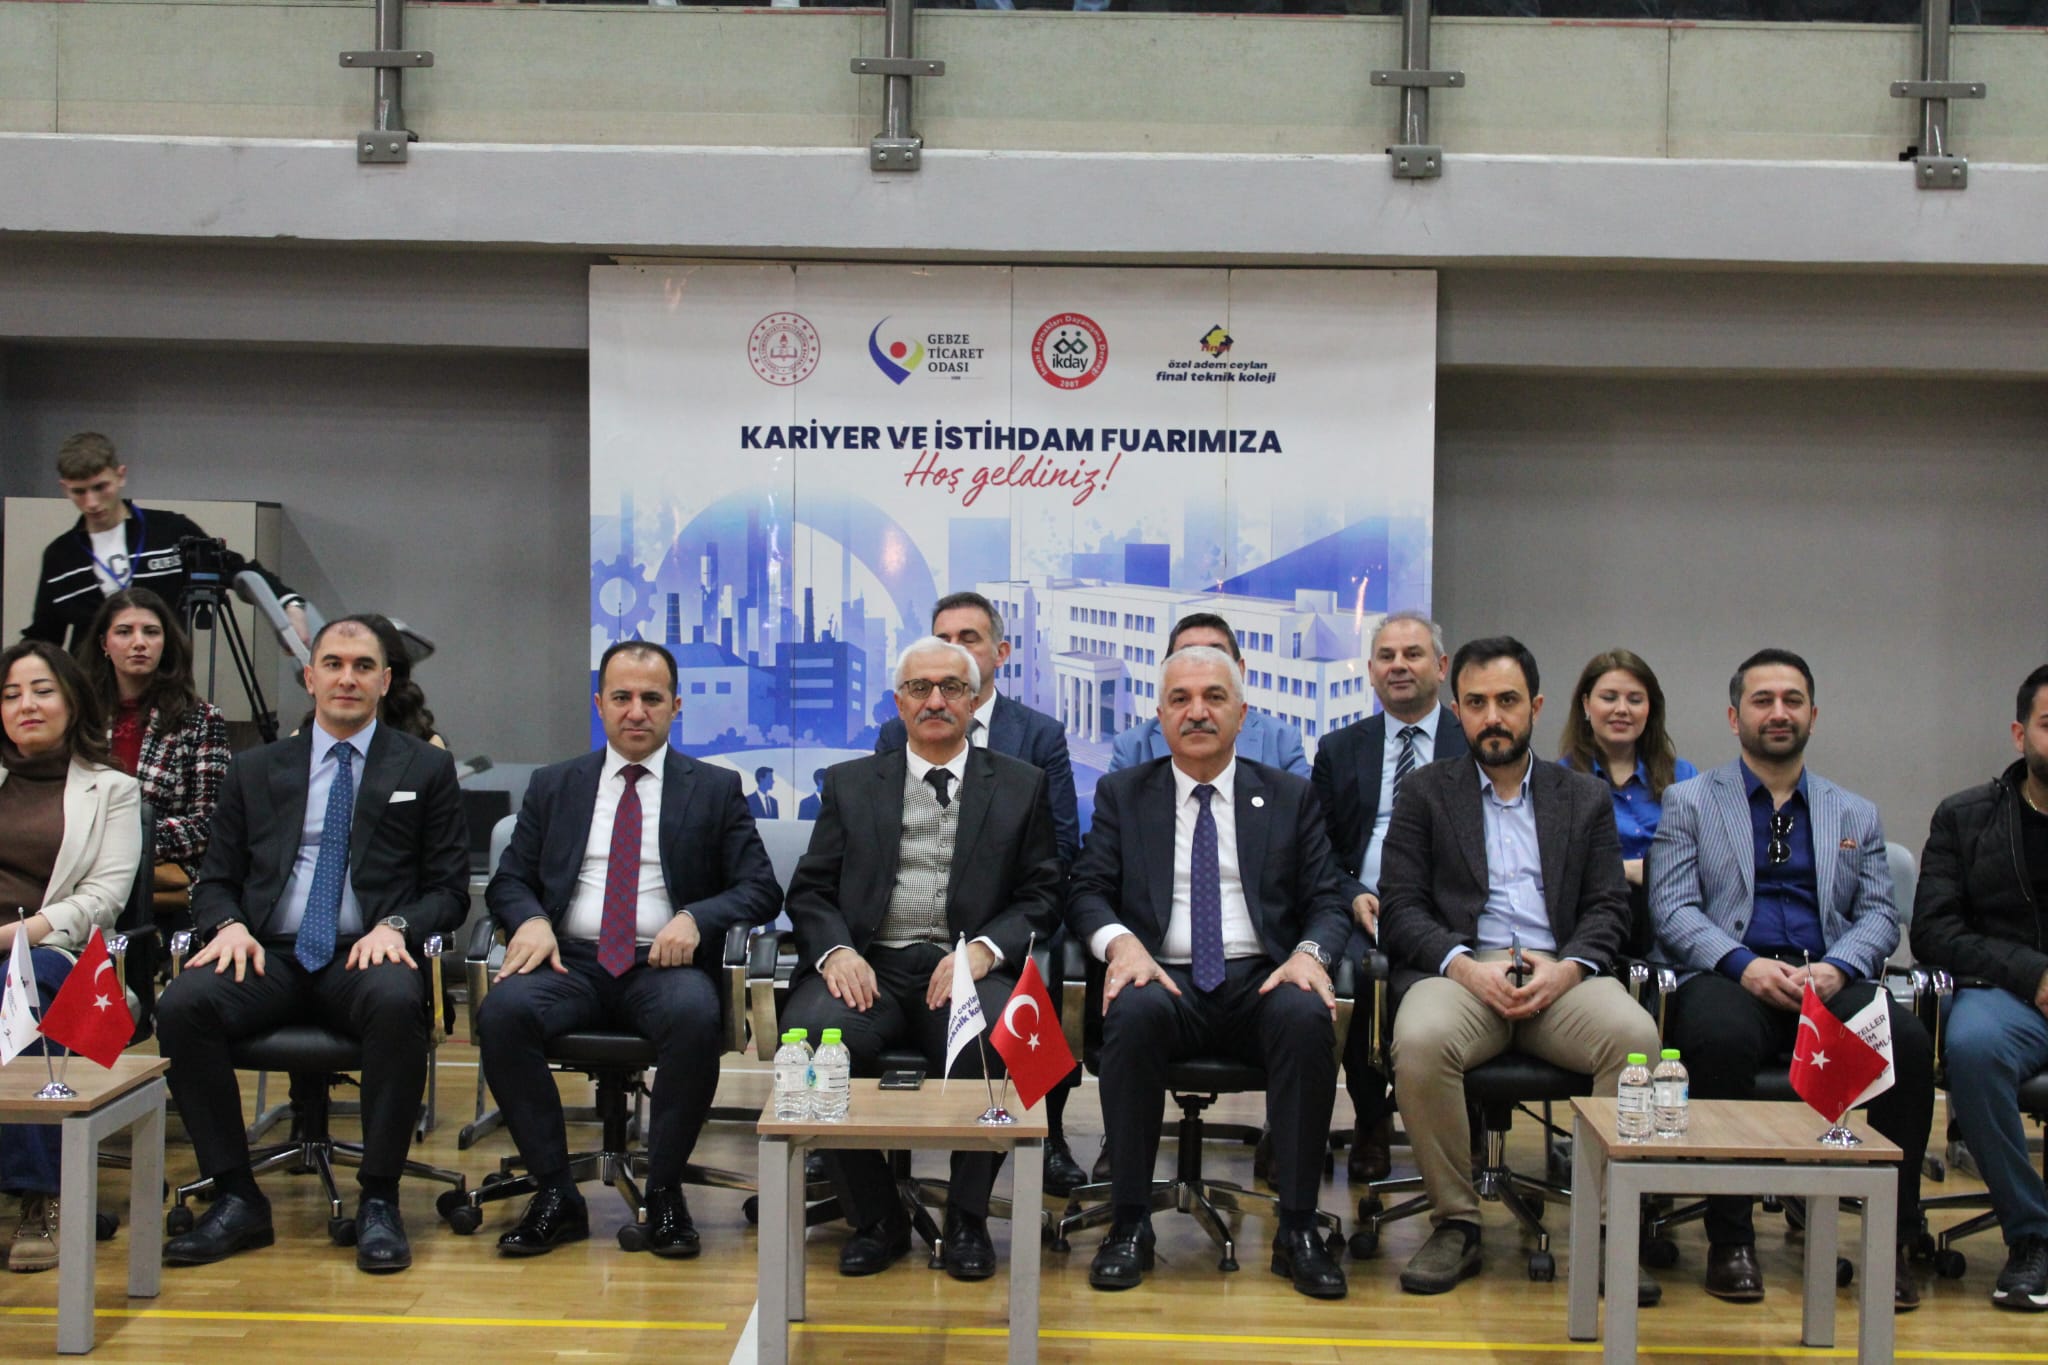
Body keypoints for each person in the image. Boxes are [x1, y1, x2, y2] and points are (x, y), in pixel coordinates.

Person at [155, 616, 468, 1274]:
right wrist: (228, 925)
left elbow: (448, 890)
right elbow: (214, 880)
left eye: (362, 666)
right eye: (333, 664)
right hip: (267, 952)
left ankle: (378, 1197)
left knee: (397, 999)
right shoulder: (254, 768)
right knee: (183, 1004)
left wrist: (397, 927)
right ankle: (237, 1196)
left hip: (365, 951)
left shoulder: (426, 766)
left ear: (386, 681)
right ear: (309, 677)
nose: (346, 678)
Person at [1648, 647, 1932, 1310]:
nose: (1778, 712)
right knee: (1716, 1037)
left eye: (1792, 700)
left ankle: (1891, 1240)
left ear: (1812, 715)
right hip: (1730, 973)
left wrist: (1837, 968)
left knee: (1907, 1042)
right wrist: (1743, 965)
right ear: (1734, 716)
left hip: (1827, 978)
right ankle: (1730, 1240)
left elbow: (1879, 914)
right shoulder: (1689, 802)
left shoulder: (1853, 811)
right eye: (1763, 700)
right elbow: (1672, 907)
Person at [478, 640, 781, 1258]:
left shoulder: (715, 788)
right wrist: (530, 919)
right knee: (502, 1014)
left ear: (676, 706)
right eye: (621, 697)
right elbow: (509, 880)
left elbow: (760, 888)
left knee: (695, 1018)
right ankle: (555, 1192)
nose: (636, 711)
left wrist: (696, 917)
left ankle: (665, 1192)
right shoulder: (555, 785)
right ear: (600, 705)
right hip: (569, 960)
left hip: (662, 965)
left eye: (651, 698)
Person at [1067, 644, 1351, 1299]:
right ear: (1160, 716)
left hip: (1262, 980)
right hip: (1162, 976)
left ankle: (1298, 1229)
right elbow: (1087, 890)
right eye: (1181, 699)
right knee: (1132, 1008)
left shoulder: (1288, 795)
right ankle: (1130, 1223)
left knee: (1306, 1013)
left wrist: (1309, 954)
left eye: (1214, 697)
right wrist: (1121, 946)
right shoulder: (1123, 794)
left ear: (1242, 714)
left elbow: (1329, 899)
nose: (1197, 711)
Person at [1378, 636, 1660, 1298]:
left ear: (1535, 706)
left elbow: (1608, 907)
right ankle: (1456, 1221)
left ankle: (1606, 1229)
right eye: (1476, 704)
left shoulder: (1582, 796)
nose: (1492, 717)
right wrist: (1463, 967)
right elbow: (1400, 907)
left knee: (1637, 1040)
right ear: (1457, 711)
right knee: (1419, 1040)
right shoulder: (1425, 792)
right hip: (1464, 972)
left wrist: (1568, 969)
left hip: (1560, 973)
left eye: (1507, 701)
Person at [782, 637, 1062, 1281]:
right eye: (919, 688)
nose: (935, 701)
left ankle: (967, 1217)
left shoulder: (1021, 786)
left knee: (1009, 1038)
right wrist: (836, 951)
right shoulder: (851, 783)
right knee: (816, 1042)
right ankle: (875, 1217)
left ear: (974, 700)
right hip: (869, 964)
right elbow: (811, 891)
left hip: (965, 966)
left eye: (951, 688)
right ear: (898, 702)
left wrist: (985, 950)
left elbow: (1043, 894)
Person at [876, 590, 1085, 1191]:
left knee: (1044, 970)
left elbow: (1059, 848)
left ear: (1000, 652)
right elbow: (878, 842)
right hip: (909, 936)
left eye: (968, 638)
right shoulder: (895, 732)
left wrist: (998, 936)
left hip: (1004, 924)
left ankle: (1044, 1130)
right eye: (942, 639)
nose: (955, 649)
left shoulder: (1038, 735)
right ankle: (842, 1149)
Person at [1909, 663, 2048, 1311]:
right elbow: (1933, 931)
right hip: (2006, 995)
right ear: (2021, 734)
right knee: (1971, 1047)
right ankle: (2031, 1234)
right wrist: (2032, 974)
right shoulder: (1965, 817)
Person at [0, 641, 141, 1273]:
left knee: (18, 988)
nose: (25, 705)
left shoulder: (112, 789)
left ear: (72, 701)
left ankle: (40, 1195)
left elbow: (103, 899)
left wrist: (15, 935)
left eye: (41, 691)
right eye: (11, 695)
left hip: (64, 954)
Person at [1311, 610, 1465, 1183]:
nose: (1399, 666)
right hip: (1364, 912)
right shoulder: (1339, 748)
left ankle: (1463, 1128)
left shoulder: (1472, 743)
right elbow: (1318, 848)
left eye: (1413, 654)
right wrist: (1352, 894)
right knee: (1352, 976)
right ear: (1371, 671)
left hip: (1450, 913)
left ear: (1441, 667)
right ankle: (1371, 1118)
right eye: (1386, 656)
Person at [23, 433, 308, 654]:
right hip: (91, 694)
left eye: (100, 487)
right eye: (79, 492)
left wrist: (289, 605)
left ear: (120, 475)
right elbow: (45, 637)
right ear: (65, 488)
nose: (92, 502)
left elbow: (238, 571)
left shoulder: (171, 531)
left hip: (167, 687)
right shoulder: (61, 556)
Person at [78, 587, 231, 883]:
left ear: (166, 643)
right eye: (124, 632)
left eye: (151, 632)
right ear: (104, 644)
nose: (139, 643)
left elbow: (211, 823)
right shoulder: (81, 716)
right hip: (82, 872)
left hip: (158, 879)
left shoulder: (201, 719)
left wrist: (129, 839)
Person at [1557, 649, 1698, 900]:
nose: (1622, 709)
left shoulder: (1683, 776)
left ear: (1650, 708)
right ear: (1586, 704)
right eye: (1609, 698)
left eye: (1635, 700)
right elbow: (1558, 869)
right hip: (1595, 908)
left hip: (1675, 906)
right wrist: (1627, 870)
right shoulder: (1561, 781)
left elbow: (1705, 859)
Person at [1109, 612, 1308, 777]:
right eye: (1189, 656)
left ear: (1240, 669)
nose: (1203, 665)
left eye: (1216, 656)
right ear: (1165, 672)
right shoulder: (1132, 749)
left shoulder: (1282, 742)